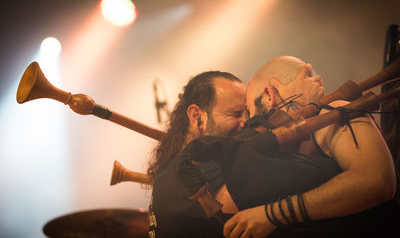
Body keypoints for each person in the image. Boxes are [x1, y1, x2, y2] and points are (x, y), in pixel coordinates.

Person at [220, 56, 398, 237]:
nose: (246, 123)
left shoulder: (334, 110)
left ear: (268, 96)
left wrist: (271, 215)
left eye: (249, 110)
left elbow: (376, 179)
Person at [147, 71, 249, 238]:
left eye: (248, 114)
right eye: (236, 114)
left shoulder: (177, 167)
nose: (246, 123)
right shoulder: (198, 171)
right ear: (196, 116)